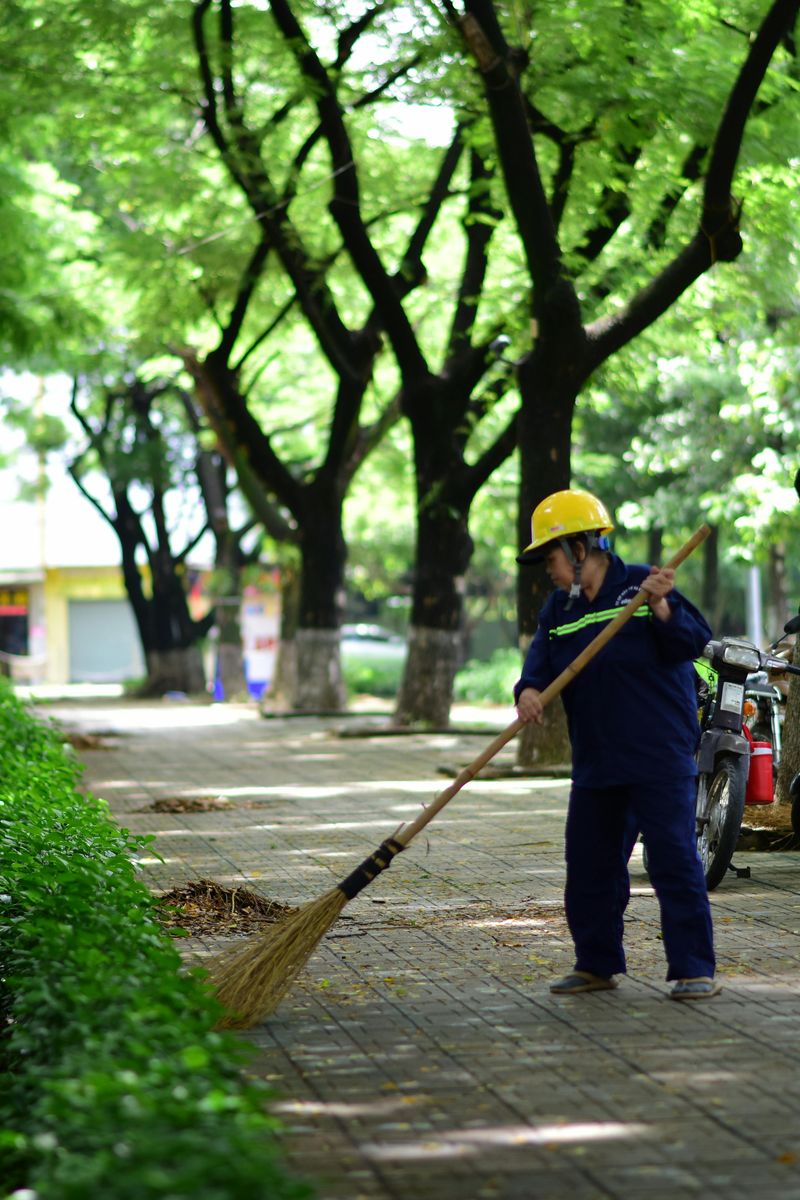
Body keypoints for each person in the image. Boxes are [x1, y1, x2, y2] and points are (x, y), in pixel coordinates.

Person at [514, 489, 719, 1001]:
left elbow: (694, 642)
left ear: (580, 548)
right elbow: (538, 667)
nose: (548, 570)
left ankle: (694, 968)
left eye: (551, 558)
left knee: (672, 861)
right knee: (591, 867)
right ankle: (595, 964)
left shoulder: (645, 584)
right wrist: (529, 692)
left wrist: (662, 606)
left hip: (658, 754)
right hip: (597, 759)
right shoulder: (558, 609)